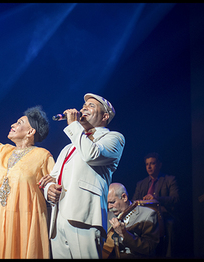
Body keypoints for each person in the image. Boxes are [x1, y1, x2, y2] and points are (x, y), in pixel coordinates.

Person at [0, 92, 55, 259]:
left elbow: (55, 186)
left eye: (19, 122)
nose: (13, 124)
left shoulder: (43, 156)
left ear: (31, 131)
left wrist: (53, 183)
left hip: (22, 224)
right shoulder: (3, 151)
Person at [40, 93, 125, 259]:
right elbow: (53, 178)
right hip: (58, 220)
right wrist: (49, 190)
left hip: (85, 216)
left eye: (91, 106)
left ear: (105, 116)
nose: (84, 108)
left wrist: (73, 126)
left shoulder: (113, 138)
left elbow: (91, 154)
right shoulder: (68, 147)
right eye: (84, 106)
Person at [132, 152, 179, 257]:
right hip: (146, 217)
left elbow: (175, 199)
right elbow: (133, 201)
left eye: (152, 163)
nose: (149, 167)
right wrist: (143, 200)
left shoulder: (169, 179)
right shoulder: (141, 183)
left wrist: (156, 199)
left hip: (164, 215)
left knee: (170, 224)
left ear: (159, 165)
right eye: (147, 164)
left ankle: (169, 256)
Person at [105, 183, 160, 258]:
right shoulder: (108, 215)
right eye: (107, 203)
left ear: (124, 197)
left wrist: (124, 234)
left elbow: (149, 248)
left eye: (112, 202)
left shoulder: (148, 214)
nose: (109, 207)